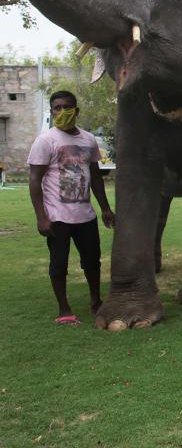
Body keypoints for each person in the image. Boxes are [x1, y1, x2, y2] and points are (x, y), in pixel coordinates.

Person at [28, 91, 114, 325]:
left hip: (85, 215)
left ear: (76, 110)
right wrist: (41, 217)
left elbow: (95, 176)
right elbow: (35, 180)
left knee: (92, 261)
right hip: (57, 216)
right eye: (56, 107)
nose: (62, 111)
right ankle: (64, 308)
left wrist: (105, 208)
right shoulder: (46, 140)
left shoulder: (88, 139)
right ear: (52, 111)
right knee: (59, 263)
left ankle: (96, 301)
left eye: (67, 107)